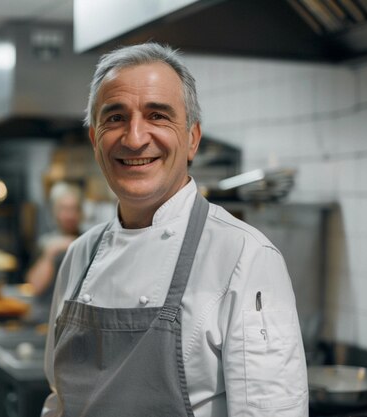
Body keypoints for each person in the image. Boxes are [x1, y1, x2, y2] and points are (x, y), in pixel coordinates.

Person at [41, 43, 308, 416]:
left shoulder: (244, 257)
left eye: (157, 116)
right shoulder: (80, 255)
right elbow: (60, 400)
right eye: (115, 118)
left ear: (193, 139)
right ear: (95, 140)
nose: (134, 138)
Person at [26, 182, 82, 321]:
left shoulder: (90, 241)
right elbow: (35, 287)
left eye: (73, 209)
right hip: (45, 315)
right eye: (64, 209)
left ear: (81, 212)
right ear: (55, 212)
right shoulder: (45, 243)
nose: (69, 215)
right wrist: (50, 253)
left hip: (76, 317)